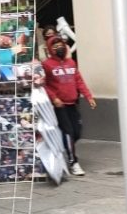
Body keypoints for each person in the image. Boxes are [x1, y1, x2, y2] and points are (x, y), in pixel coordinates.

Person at [41, 35, 96, 176]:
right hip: (60, 106)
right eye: (55, 46)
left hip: (73, 103)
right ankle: (73, 162)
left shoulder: (71, 62)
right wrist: (54, 98)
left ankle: (63, 145)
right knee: (68, 132)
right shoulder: (47, 65)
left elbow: (79, 81)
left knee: (76, 132)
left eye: (60, 45)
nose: (59, 48)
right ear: (50, 49)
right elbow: (44, 84)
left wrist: (88, 97)